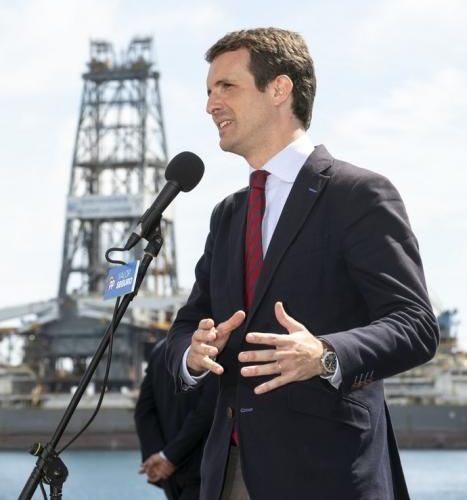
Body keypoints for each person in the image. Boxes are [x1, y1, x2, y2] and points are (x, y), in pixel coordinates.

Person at [166, 28, 439, 500]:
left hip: (328, 473)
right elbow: (187, 324)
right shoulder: (228, 214)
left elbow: (415, 325)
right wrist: (192, 354)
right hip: (228, 474)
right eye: (208, 92)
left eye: (225, 87)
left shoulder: (358, 195)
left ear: (279, 89)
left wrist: (326, 355)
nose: (210, 105)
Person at [135, 338, 216, 500]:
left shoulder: (160, 349)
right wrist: (169, 457)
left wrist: (159, 456)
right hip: (203, 471)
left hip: (169, 475)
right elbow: (205, 413)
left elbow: (143, 411)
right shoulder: (213, 349)